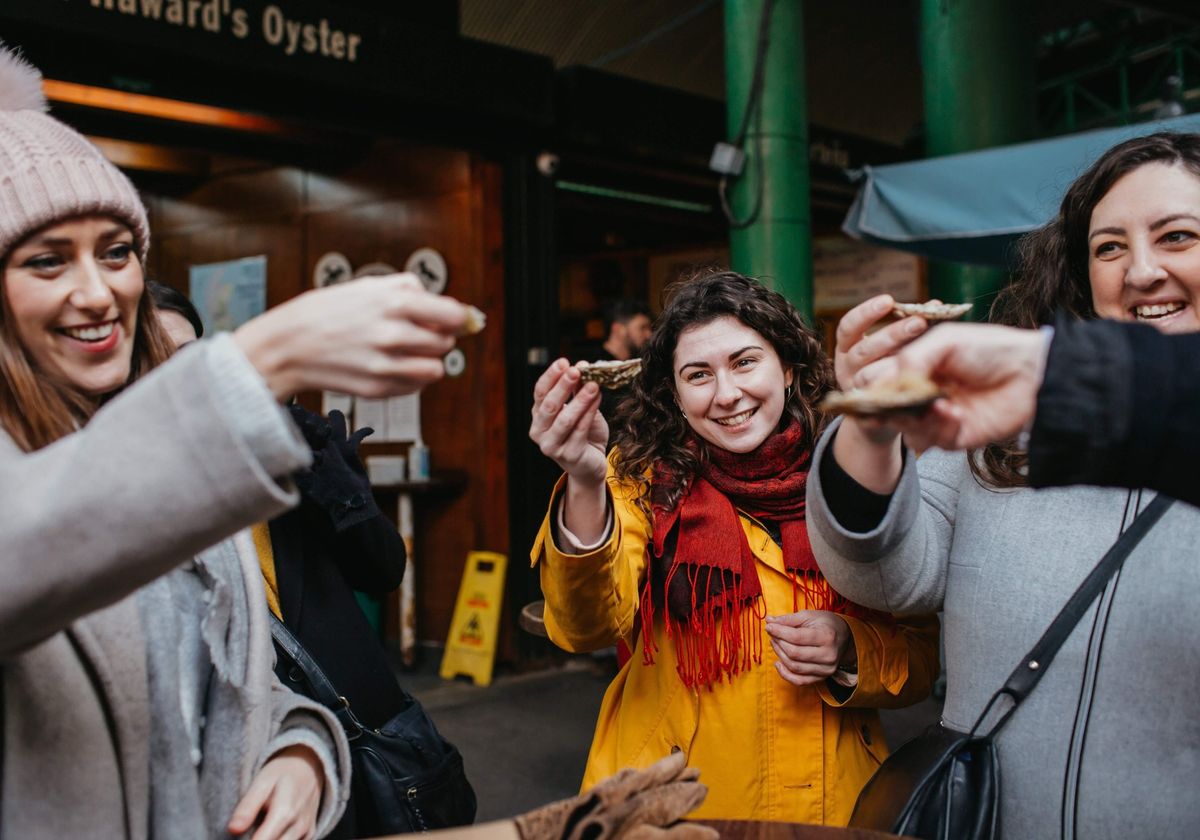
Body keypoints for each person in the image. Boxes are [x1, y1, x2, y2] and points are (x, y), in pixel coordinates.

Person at [0, 49, 469, 838]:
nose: (97, 291)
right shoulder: (104, 475)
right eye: (47, 261)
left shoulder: (161, 467)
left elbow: (230, 680)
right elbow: (33, 547)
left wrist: (303, 751)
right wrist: (254, 365)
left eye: (116, 252)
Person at [807, 131, 1200, 838]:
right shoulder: (1004, 428)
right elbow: (888, 577)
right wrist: (870, 423)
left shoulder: (1050, 388)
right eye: (1109, 246)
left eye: (1177, 236)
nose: (1141, 270)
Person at [528, 269, 939, 824]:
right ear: (674, 395)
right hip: (674, 808)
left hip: (836, 808)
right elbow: (585, 628)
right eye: (698, 375)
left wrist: (851, 649)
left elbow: (924, 653)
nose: (726, 395)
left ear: (789, 368)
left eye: (745, 362)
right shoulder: (639, 483)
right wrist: (583, 479)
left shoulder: (856, 473)